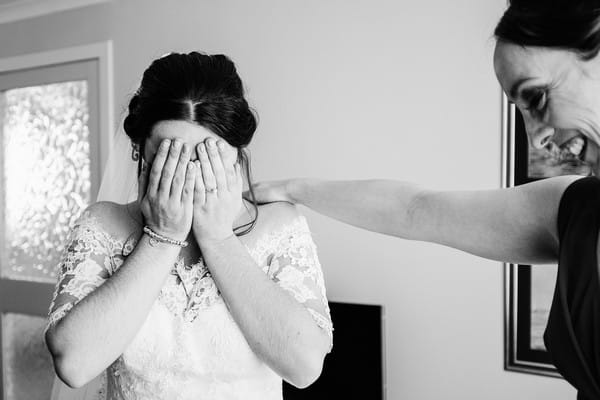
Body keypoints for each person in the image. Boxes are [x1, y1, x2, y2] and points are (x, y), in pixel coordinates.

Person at [249, 1, 600, 399]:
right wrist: (290, 190)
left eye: (535, 98)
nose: (535, 137)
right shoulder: (574, 211)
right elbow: (414, 210)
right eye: (520, 111)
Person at [44, 52, 332, 400]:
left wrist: (219, 239)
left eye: (208, 155)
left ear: (237, 153)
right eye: (172, 155)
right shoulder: (104, 225)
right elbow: (73, 365)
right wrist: (160, 238)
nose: (190, 174)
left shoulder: (278, 225)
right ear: (141, 152)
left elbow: (304, 367)